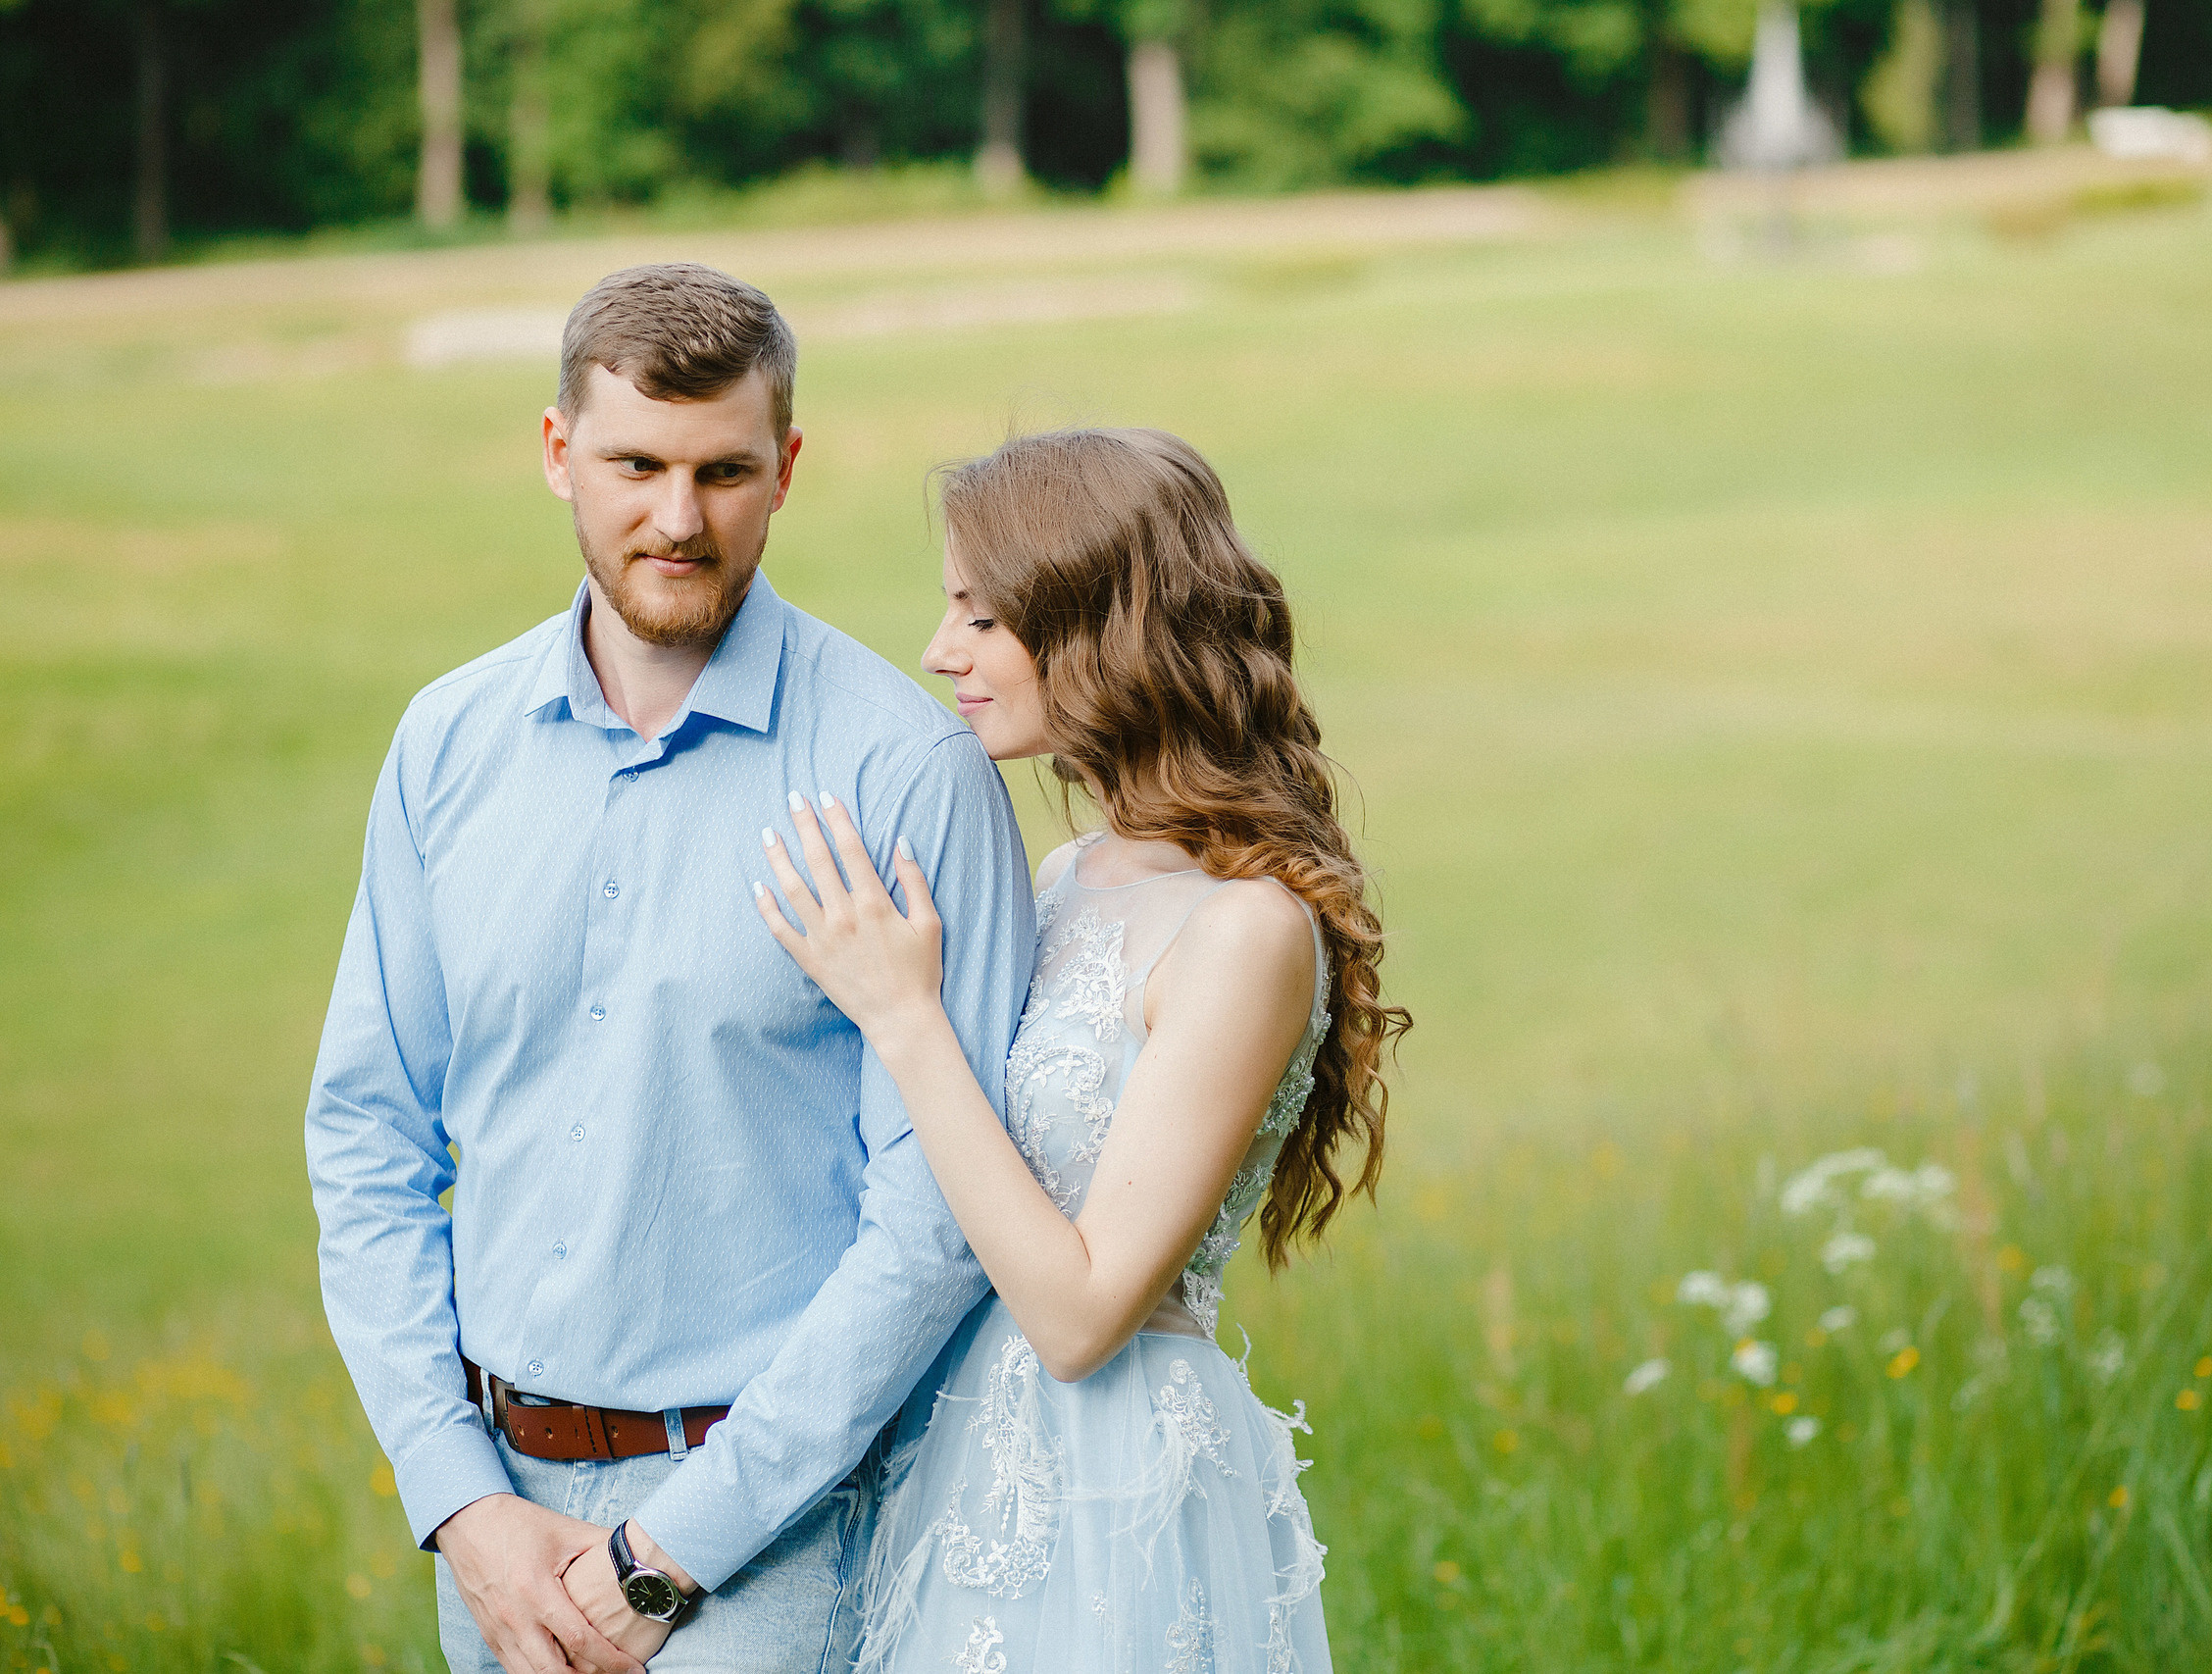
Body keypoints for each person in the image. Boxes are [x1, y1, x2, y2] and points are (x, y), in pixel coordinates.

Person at [303, 262, 1035, 1671]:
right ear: (557, 451)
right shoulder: (445, 744)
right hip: (496, 1524)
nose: (678, 517)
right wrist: (458, 1497)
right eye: (636, 463)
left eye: (725, 470)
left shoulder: (906, 772)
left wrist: (670, 1547)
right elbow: (367, 1131)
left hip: (771, 1539)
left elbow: (943, 1212)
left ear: (788, 471)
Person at [749, 428, 1407, 1673]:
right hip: (968, 1465)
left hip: (1111, 1499)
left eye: (979, 617)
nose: (941, 652)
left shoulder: (1247, 932)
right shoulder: (1066, 875)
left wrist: (905, 1017)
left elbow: (1081, 1312)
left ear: (1101, 628)